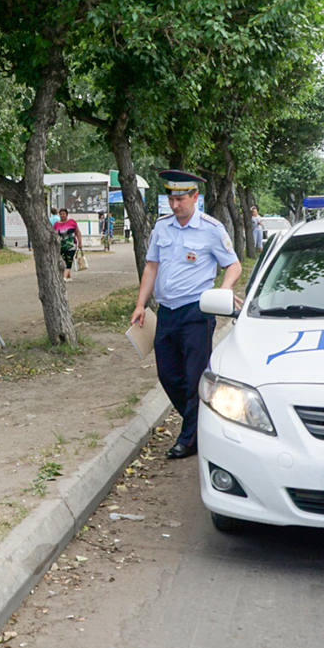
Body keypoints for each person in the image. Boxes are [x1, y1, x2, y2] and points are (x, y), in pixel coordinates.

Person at [130, 170, 242, 460]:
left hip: (196, 310)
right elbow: (151, 267)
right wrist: (141, 304)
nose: (175, 205)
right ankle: (202, 425)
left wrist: (224, 291)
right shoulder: (162, 228)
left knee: (194, 378)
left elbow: (233, 266)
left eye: (180, 198)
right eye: (171, 198)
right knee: (168, 375)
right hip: (166, 312)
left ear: (195, 197)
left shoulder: (211, 229)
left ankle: (189, 439)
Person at [52, 208, 82, 282]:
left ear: (67, 215)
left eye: (64, 214)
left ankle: (64, 277)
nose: (62, 215)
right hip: (61, 246)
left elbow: (77, 232)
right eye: (61, 214)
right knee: (63, 261)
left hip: (71, 245)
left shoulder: (72, 222)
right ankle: (68, 276)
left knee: (69, 260)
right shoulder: (56, 224)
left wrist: (80, 242)